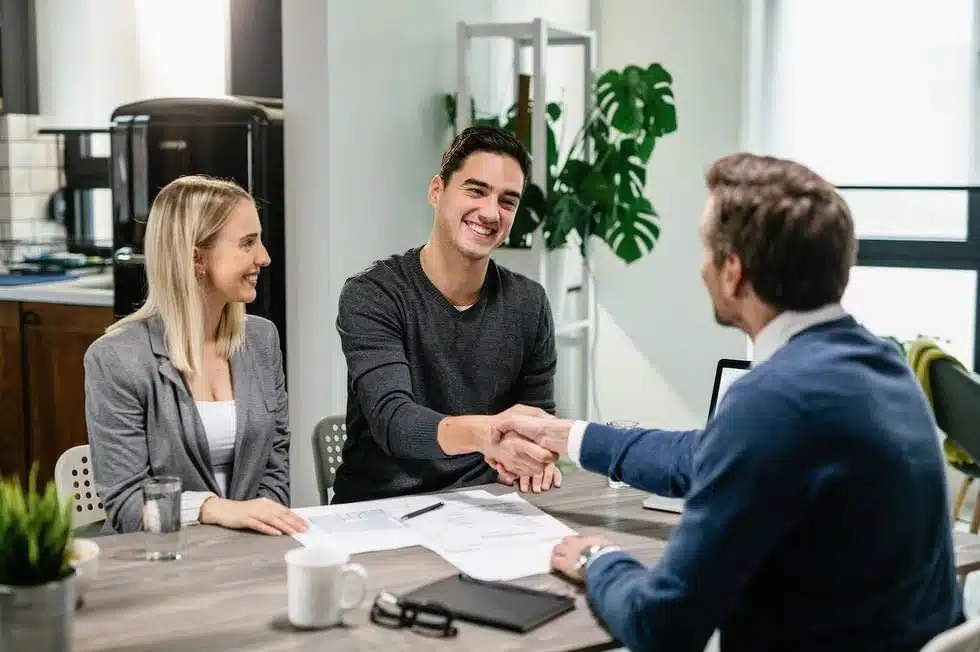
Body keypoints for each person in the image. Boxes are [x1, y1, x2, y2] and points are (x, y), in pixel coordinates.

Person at [495, 154, 964, 651]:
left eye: (706, 250)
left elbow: (663, 627)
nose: (702, 268)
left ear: (733, 272)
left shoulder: (772, 401)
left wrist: (599, 560)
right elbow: (706, 455)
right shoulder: (885, 366)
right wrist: (568, 435)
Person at [332, 126, 561, 504]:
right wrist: (489, 434)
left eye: (508, 201)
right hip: (382, 511)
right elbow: (397, 423)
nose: (490, 212)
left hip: (489, 505)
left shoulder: (529, 303)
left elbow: (536, 419)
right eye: (476, 190)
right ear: (437, 191)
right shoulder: (374, 295)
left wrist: (535, 455)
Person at [84, 175, 307, 537]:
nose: (263, 258)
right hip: (165, 562)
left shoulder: (262, 340)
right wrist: (215, 510)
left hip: (253, 555)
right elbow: (126, 508)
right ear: (196, 257)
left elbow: (275, 468)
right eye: (247, 243)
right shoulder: (116, 359)